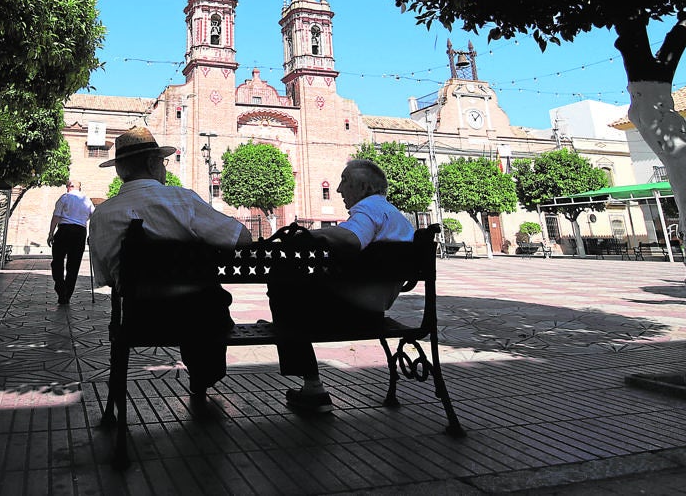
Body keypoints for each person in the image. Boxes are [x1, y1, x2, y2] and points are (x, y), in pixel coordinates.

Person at [89, 127, 252, 397]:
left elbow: (106, 278)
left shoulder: (102, 215)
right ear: (153, 164)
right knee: (202, 302)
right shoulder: (183, 200)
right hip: (203, 318)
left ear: (120, 171)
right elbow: (242, 239)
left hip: (140, 320)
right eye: (162, 162)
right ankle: (204, 375)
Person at [268, 159, 415, 413]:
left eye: (345, 180)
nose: (338, 189)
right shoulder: (395, 216)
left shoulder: (369, 209)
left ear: (364, 187)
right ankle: (285, 333)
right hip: (374, 312)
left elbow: (353, 239)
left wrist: (311, 234)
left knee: (282, 282)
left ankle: (312, 386)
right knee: (291, 292)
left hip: (349, 312)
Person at [48, 180, 94, 304]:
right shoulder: (87, 200)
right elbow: (93, 217)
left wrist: (51, 233)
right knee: (74, 265)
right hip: (80, 232)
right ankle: (67, 294)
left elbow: (56, 216)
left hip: (64, 230)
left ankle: (60, 288)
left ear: (69, 187)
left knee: (57, 261)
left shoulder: (65, 197)